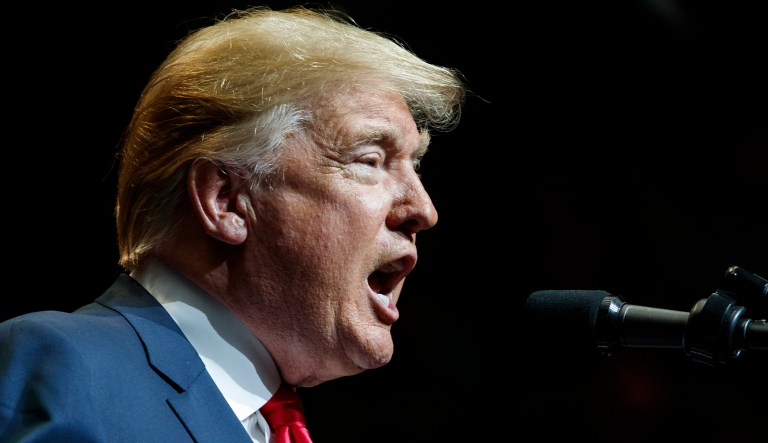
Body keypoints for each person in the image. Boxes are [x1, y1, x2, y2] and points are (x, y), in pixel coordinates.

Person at [0, 5, 465, 442]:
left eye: (414, 166)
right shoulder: (64, 367)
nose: (423, 210)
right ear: (225, 200)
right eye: (370, 160)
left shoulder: (267, 421)